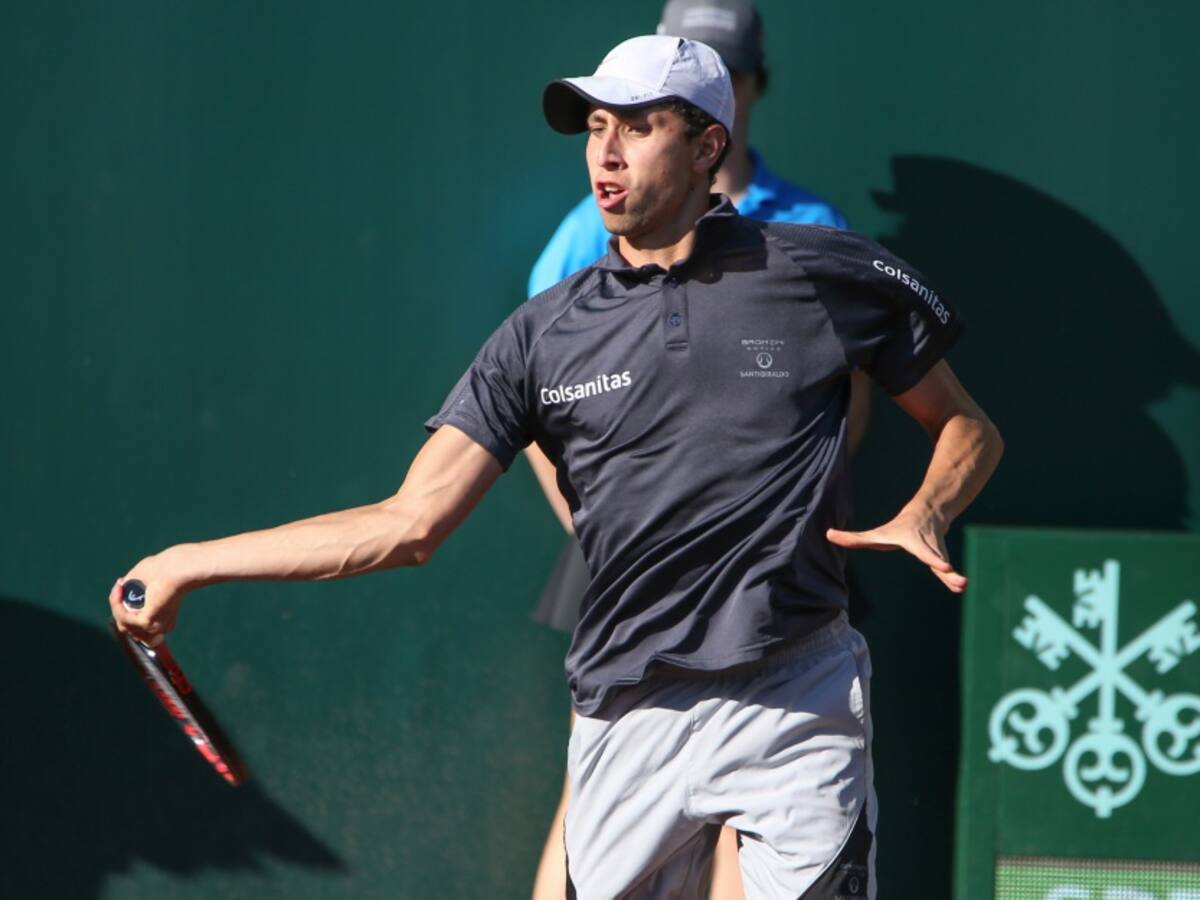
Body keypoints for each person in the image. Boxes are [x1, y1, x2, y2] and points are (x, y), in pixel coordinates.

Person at [111, 34, 1003, 899]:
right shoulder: (540, 336)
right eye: (595, 128)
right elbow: (407, 524)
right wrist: (189, 561)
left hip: (796, 688)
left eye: (638, 127)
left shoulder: (824, 272)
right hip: (627, 709)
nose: (606, 152)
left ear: (707, 147)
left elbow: (968, 427)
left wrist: (927, 509)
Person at [523, 4, 867, 897]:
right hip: (626, 556)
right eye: (617, 117)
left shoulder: (810, 224)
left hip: (779, 568)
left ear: (746, 89)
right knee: (594, 791)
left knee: (749, 814)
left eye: (723, 69)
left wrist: (790, 504)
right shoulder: (589, 227)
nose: (619, 142)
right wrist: (599, 527)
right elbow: (536, 394)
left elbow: (852, 395)